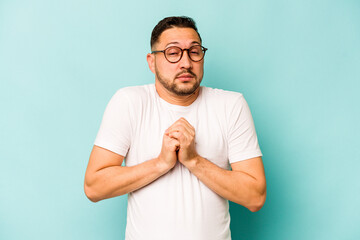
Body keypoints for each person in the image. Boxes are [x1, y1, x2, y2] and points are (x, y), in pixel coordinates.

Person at [84, 16, 266, 240]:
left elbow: (255, 196)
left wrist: (194, 161)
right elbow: (94, 187)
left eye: (194, 51)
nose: (186, 63)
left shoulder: (231, 105)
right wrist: (161, 163)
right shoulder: (129, 102)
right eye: (173, 53)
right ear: (152, 62)